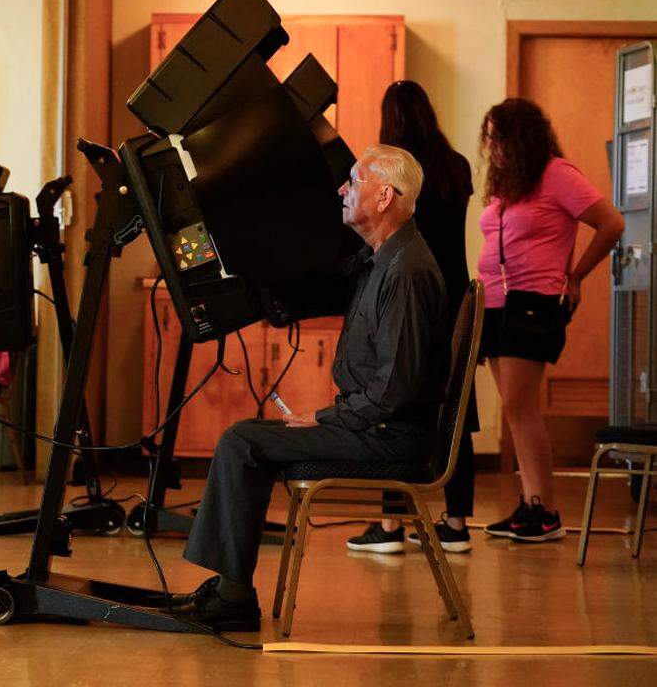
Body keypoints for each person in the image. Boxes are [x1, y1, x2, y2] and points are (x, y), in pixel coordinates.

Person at [177, 144, 448, 632]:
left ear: (384, 196)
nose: (342, 190)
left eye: (354, 180)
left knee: (243, 441)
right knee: (250, 439)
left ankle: (234, 595)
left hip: (392, 435)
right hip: (377, 423)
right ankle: (231, 586)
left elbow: (395, 389)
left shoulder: (406, 271)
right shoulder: (382, 258)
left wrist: (324, 418)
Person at [476, 98, 624, 543]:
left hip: (531, 301)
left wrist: (575, 276)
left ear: (518, 138)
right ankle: (530, 503)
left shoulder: (557, 174)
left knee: (521, 405)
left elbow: (611, 223)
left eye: (496, 138)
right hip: (498, 303)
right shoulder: (512, 184)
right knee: (513, 409)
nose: (490, 148)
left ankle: (545, 509)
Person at [347, 80, 478, 555]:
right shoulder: (456, 166)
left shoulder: (395, 175)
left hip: (409, 291)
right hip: (456, 298)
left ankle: (390, 526)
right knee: (457, 410)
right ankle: (457, 522)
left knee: (394, 401)